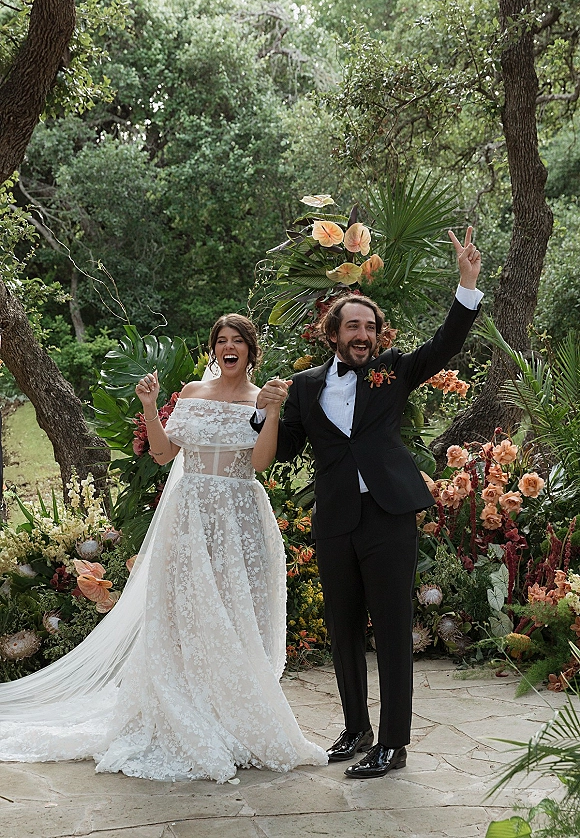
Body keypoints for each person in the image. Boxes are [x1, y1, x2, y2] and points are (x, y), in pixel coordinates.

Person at [0, 314, 327, 782]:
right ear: (214, 349)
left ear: (251, 351)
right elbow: (162, 453)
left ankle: (231, 710)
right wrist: (150, 406)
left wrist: (273, 412)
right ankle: (183, 703)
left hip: (239, 515)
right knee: (181, 609)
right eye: (221, 341)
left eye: (237, 341)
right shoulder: (193, 393)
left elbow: (259, 460)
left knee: (236, 611)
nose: (228, 347)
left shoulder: (261, 399)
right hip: (188, 512)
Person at [252, 228, 482, 779]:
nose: (363, 333)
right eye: (352, 325)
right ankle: (356, 729)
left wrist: (466, 286)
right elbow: (282, 453)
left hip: (389, 515)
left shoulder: (394, 370)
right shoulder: (306, 385)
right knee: (343, 626)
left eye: (370, 326)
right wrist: (264, 413)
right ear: (333, 333)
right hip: (335, 519)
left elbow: (444, 346)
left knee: (393, 626)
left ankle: (393, 743)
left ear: (378, 336)